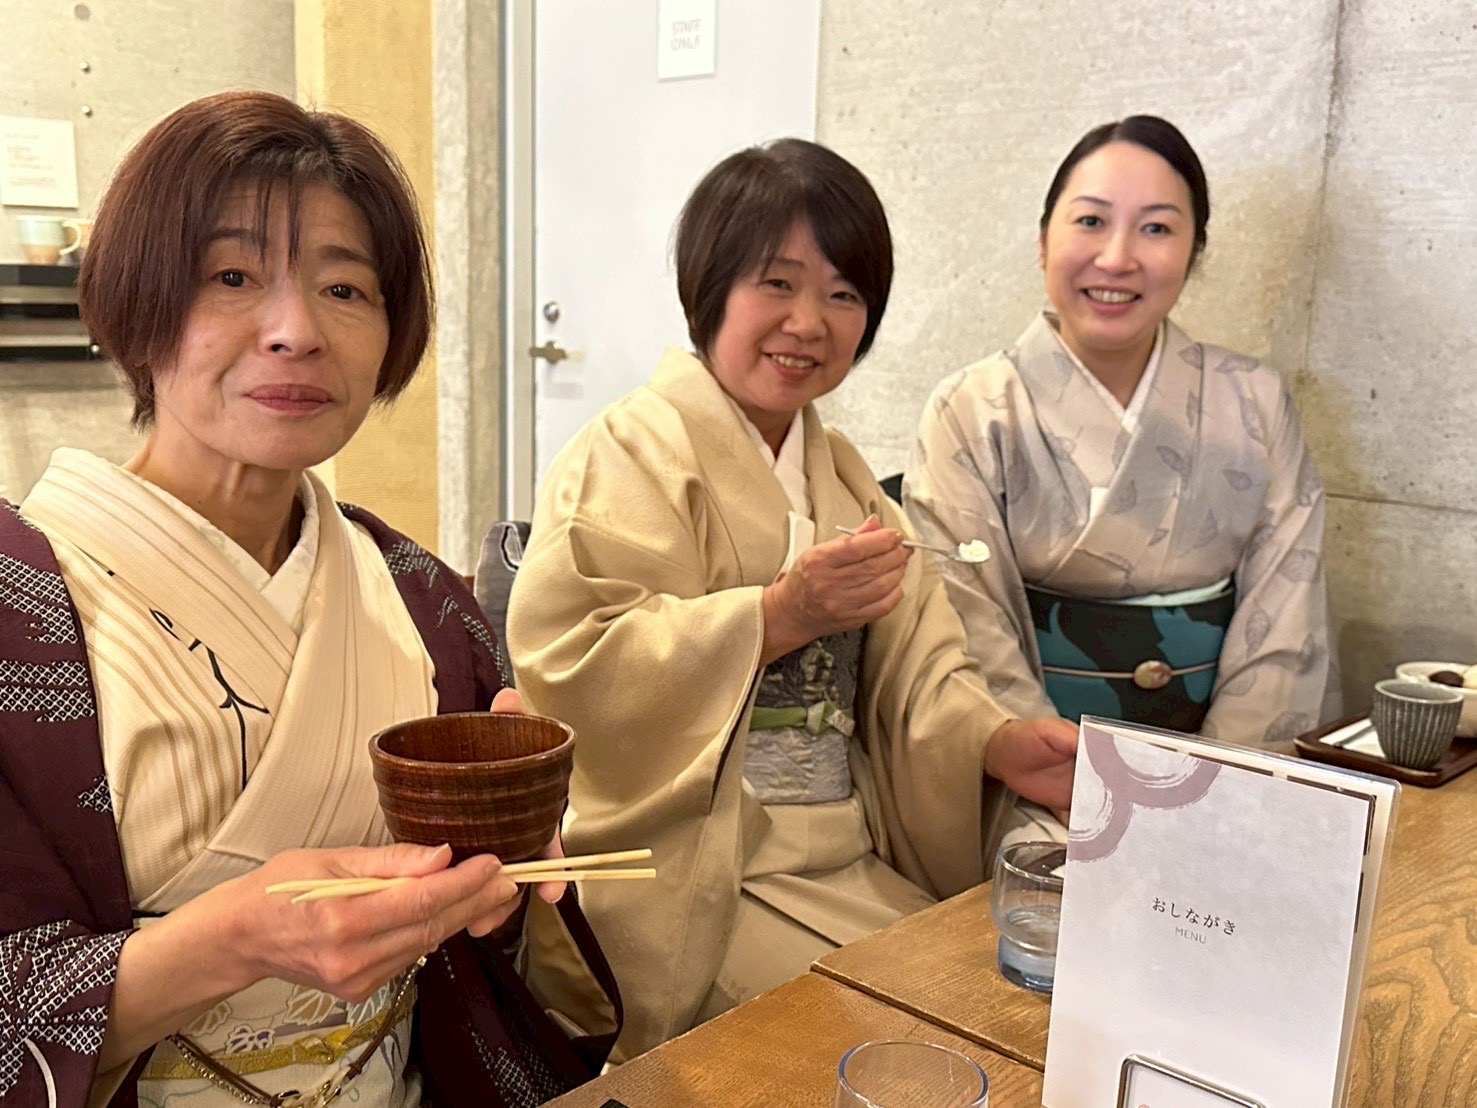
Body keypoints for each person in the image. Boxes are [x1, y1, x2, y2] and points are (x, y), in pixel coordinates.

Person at [0, 91, 614, 1108]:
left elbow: (479, 941)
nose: (297, 331)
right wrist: (234, 940)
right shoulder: (18, 606)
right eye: (232, 277)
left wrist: (501, 857)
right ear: (135, 298)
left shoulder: (420, 598)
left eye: (344, 287)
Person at [505, 138, 1078, 1060]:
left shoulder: (844, 479)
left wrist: (995, 742)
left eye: (843, 294)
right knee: (923, 1039)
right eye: (776, 283)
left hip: (844, 851)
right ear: (709, 288)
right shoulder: (626, 453)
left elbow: (921, 670)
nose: (808, 322)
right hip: (695, 871)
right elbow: (574, 659)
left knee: (1001, 1001)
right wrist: (775, 619)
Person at [905, 115, 1334, 778]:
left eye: (1156, 228)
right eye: (1090, 221)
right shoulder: (971, 409)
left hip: (1223, 774)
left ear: (1194, 253)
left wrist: (1223, 787)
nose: (1116, 258)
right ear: (1042, 241)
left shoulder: (1254, 402)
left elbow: (1285, 621)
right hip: (1036, 773)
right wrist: (1046, 768)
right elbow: (964, 623)